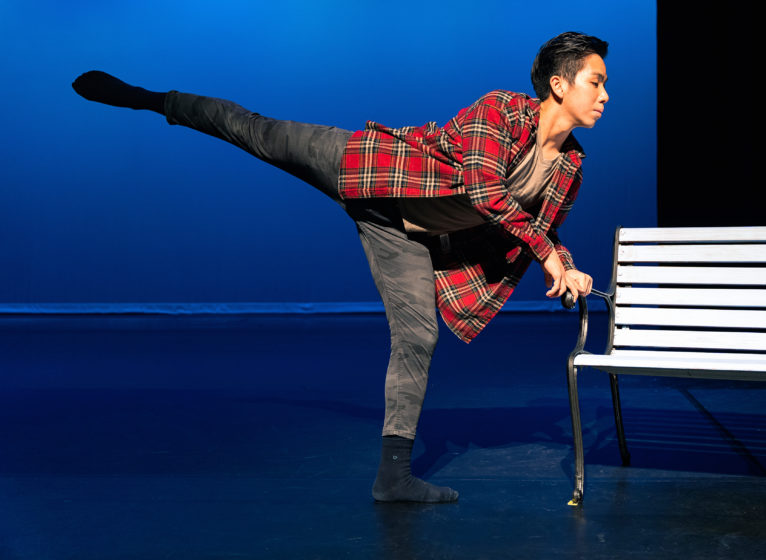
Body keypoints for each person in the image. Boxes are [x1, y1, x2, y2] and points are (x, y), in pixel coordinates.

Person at [71, 31, 609, 503]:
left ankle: (393, 478)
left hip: (402, 233)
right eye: (595, 82)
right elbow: (485, 188)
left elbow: (542, 228)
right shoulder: (502, 111)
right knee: (258, 132)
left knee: (419, 337)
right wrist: (545, 251)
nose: (605, 95)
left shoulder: (572, 166)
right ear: (559, 85)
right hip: (366, 164)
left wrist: (563, 265)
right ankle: (148, 98)